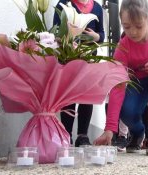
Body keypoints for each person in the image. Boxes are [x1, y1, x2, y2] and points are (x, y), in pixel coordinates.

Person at [93, 0, 148, 156]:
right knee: (127, 110)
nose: (133, 32)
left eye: (138, 26)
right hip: (138, 83)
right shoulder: (123, 46)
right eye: (126, 26)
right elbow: (118, 85)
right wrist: (110, 129)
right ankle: (138, 132)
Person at [53, 0, 105, 146]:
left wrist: (96, 37)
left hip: (89, 58)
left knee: (87, 97)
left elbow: (102, 34)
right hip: (68, 57)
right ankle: (66, 134)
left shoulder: (97, 8)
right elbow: (56, 31)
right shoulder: (64, 4)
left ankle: (83, 135)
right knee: (69, 96)